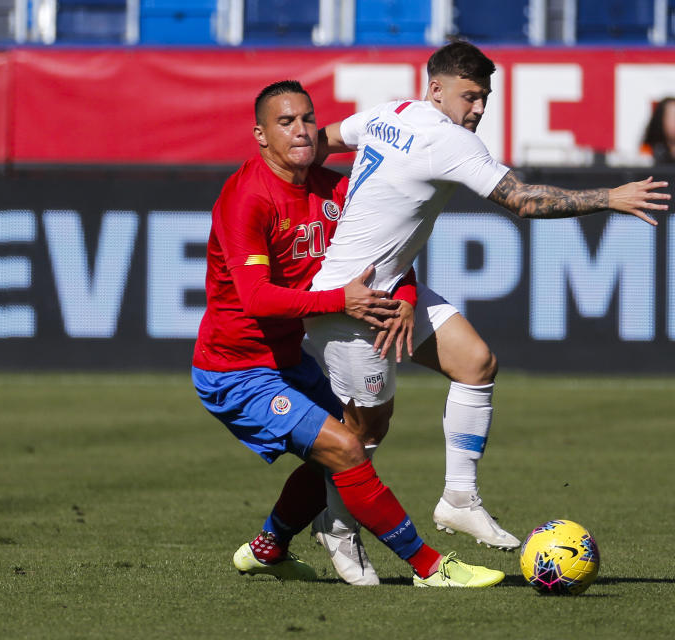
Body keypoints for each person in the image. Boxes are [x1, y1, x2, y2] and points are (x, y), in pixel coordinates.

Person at [305, 40, 670, 584]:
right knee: (361, 435)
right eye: (469, 96)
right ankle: (335, 526)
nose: (477, 109)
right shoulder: (448, 141)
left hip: (387, 291)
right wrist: (610, 198)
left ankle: (459, 496)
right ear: (436, 89)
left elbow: (323, 140)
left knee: (475, 362)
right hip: (349, 304)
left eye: (484, 98)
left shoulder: (389, 112)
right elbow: (522, 201)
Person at [191, 79, 504, 588]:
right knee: (346, 450)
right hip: (237, 369)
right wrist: (343, 300)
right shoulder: (247, 196)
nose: (301, 130)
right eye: (285, 122)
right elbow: (257, 298)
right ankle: (428, 566)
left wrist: (403, 299)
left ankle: (270, 547)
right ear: (260, 135)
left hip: (292, 359)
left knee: (355, 437)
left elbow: (388, 254)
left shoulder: (335, 188)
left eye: (308, 119)